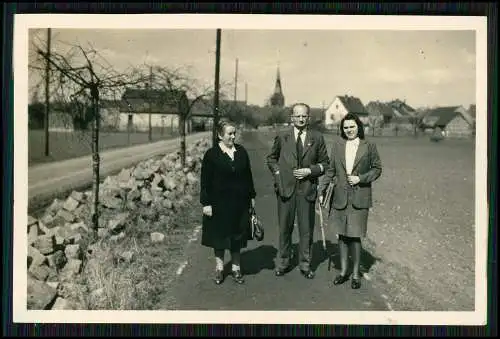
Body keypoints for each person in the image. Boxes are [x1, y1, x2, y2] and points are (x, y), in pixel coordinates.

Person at [318, 113, 382, 289]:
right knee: (342, 236)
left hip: (359, 197)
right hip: (340, 197)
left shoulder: (369, 146)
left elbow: (377, 168)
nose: (349, 130)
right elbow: (331, 170)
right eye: (346, 127)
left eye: (352, 127)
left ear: (358, 127)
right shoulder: (338, 146)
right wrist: (321, 188)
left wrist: (360, 178)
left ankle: (355, 275)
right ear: (342, 129)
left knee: (355, 237)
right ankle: (343, 271)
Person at [266, 103, 329, 279]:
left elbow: (325, 164)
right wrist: (279, 176)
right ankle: (283, 262)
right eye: (297, 116)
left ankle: (305, 264)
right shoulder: (282, 136)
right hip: (286, 190)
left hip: (307, 190)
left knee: (306, 230)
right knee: (284, 228)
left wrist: (311, 171)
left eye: (304, 116)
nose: (301, 119)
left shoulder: (317, 137)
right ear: (291, 118)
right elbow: (271, 159)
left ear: (308, 118)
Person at [200, 119, 256, 285]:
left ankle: (236, 268)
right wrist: (206, 203)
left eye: (234, 133)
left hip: (239, 204)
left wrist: (251, 197)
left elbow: (248, 177)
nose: (233, 136)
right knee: (219, 237)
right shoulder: (211, 155)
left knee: (237, 237)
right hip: (219, 205)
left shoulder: (241, 152)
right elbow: (205, 181)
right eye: (229, 134)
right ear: (219, 135)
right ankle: (219, 268)